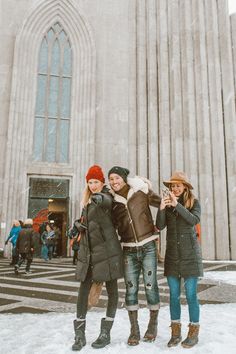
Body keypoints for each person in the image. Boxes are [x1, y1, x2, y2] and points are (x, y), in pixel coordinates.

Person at [72, 165, 123, 351]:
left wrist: (99, 197)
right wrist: (78, 225)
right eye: (90, 182)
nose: (93, 185)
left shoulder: (105, 197)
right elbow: (89, 223)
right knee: (83, 291)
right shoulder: (87, 203)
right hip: (89, 253)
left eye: (96, 182)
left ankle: (105, 332)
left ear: (102, 183)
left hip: (108, 252)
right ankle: (79, 334)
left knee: (112, 291)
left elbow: (106, 201)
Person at [108, 166, 161, 346]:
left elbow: (162, 203)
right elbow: (108, 224)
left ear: (124, 178)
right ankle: (134, 330)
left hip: (148, 246)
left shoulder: (141, 190)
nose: (114, 182)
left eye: (117, 178)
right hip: (128, 249)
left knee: (150, 285)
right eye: (111, 179)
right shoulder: (112, 201)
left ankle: (152, 325)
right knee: (131, 289)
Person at [156, 171, 203, 349]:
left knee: (191, 296)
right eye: (172, 185)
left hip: (190, 256)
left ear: (185, 187)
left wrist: (177, 205)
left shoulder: (194, 203)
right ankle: (175, 333)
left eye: (177, 185)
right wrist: (162, 207)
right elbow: (160, 226)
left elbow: (193, 220)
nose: (174, 188)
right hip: (173, 257)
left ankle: (193, 333)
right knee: (174, 297)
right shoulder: (167, 205)